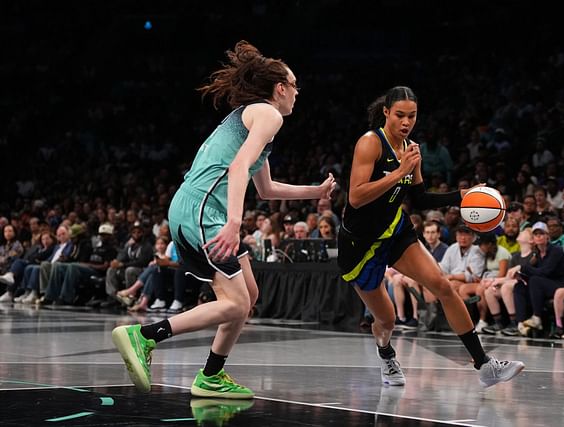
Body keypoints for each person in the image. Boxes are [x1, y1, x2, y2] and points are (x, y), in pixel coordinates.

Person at [111, 41, 335, 399]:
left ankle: (211, 376)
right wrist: (233, 223)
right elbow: (237, 168)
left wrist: (316, 191)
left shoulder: (257, 120)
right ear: (280, 88)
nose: (297, 93)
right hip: (203, 211)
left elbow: (266, 189)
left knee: (250, 294)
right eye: (295, 86)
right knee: (235, 303)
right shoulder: (268, 114)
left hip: (195, 208)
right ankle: (144, 335)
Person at [337, 86, 523, 389]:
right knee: (387, 320)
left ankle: (485, 365)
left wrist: (462, 195)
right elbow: (356, 197)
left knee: (442, 286)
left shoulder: (412, 149)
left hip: (396, 231)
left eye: (412, 116)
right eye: (399, 115)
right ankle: (386, 353)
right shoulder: (370, 143)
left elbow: (420, 199)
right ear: (386, 113)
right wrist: (399, 172)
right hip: (360, 246)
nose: (406, 122)